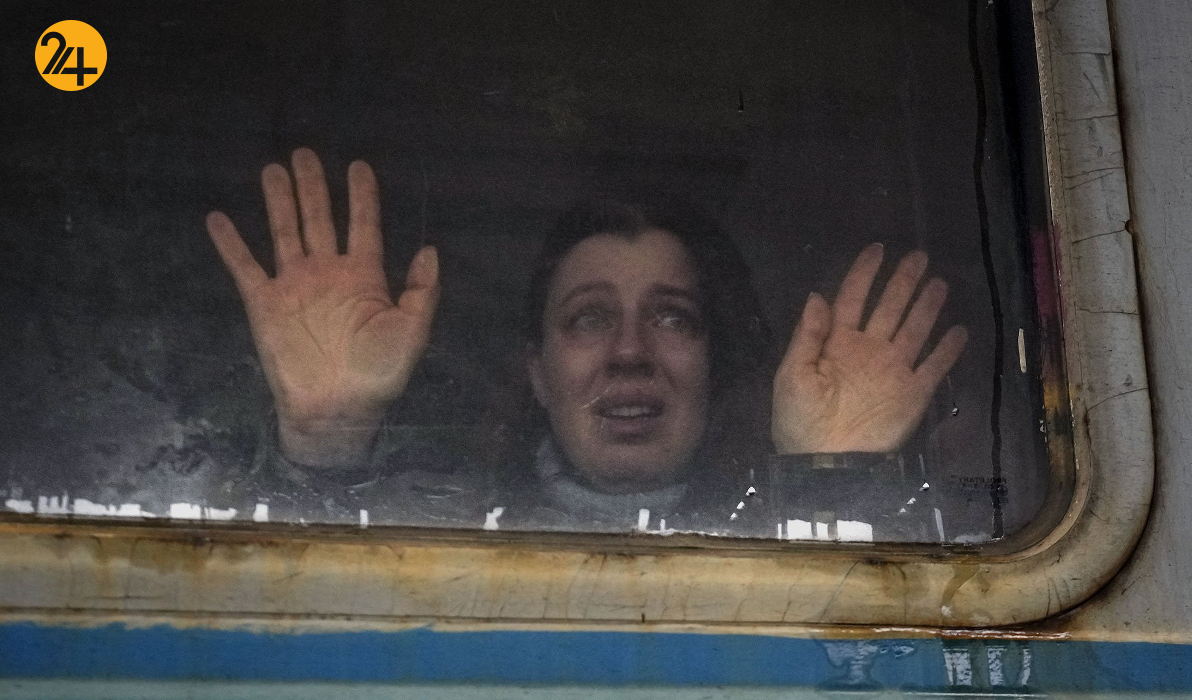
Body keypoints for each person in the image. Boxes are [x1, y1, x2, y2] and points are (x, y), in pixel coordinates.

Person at [206, 148, 968, 537]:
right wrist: (326, 436)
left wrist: (832, 479)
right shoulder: (442, 528)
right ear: (538, 373)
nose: (630, 350)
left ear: (716, 363)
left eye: (673, 317)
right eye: (589, 318)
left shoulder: (771, 523)